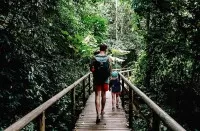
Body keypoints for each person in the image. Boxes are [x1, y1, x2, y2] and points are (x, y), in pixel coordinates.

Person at [90, 44, 112, 124]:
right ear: (105, 49)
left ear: (99, 49)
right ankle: (102, 110)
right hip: (105, 80)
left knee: (97, 96)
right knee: (103, 95)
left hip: (97, 79)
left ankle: (98, 115)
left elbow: (91, 69)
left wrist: (96, 73)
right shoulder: (108, 58)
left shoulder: (94, 58)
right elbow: (110, 70)